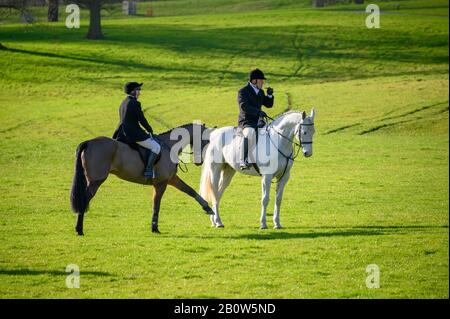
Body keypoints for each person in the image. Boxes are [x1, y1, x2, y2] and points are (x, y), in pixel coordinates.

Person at [113, 82, 161, 179]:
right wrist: (149, 129)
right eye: (138, 89)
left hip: (121, 133)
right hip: (133, 134)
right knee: (156, 147)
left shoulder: (123, 102)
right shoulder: (135, 103)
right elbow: (141, 119)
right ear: (133, 91)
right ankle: (148, 170)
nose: (140, 92)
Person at [237, 69, 274, 170]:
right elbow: (244, 106)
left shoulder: (261, 92)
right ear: (254, 81)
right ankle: (242, 161)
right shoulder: (243, 91)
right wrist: (258, 112)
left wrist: (269, 95)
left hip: (258, 121)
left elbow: (268, 105)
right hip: (246, 121)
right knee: (249, 133)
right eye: (261, 80)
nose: (263, 82)